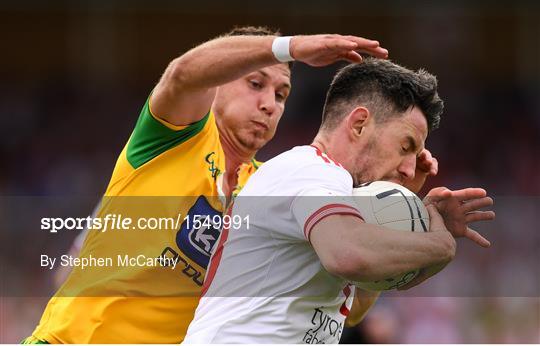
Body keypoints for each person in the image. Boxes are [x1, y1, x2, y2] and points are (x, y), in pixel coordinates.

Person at [25, 27, 389, 343]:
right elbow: (184, 73)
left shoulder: (270, 188)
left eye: (280, 95)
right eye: (255, 84)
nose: (269, 105)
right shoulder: (176, 136)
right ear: (218, 83)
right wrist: (289, 47)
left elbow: (347, 308)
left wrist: (388, 204)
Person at [183, 58, 495, 343]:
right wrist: (440, 245)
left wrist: (405, 215)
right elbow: (348, 256)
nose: (411, 168)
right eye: (405, 146)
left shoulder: (335, 194)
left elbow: (355, 307)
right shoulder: (310, 169)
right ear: (359, 124)